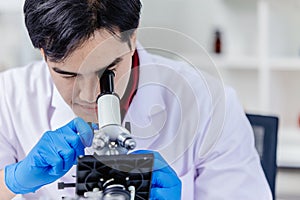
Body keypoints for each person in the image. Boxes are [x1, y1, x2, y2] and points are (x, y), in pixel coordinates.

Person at [0, 0, 272, 199]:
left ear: (133, 38)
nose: (89, 95)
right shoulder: (10, 97)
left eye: (107, 72)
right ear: (43, 53)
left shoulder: (209, 103)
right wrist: (12, 181)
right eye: (67, 75)